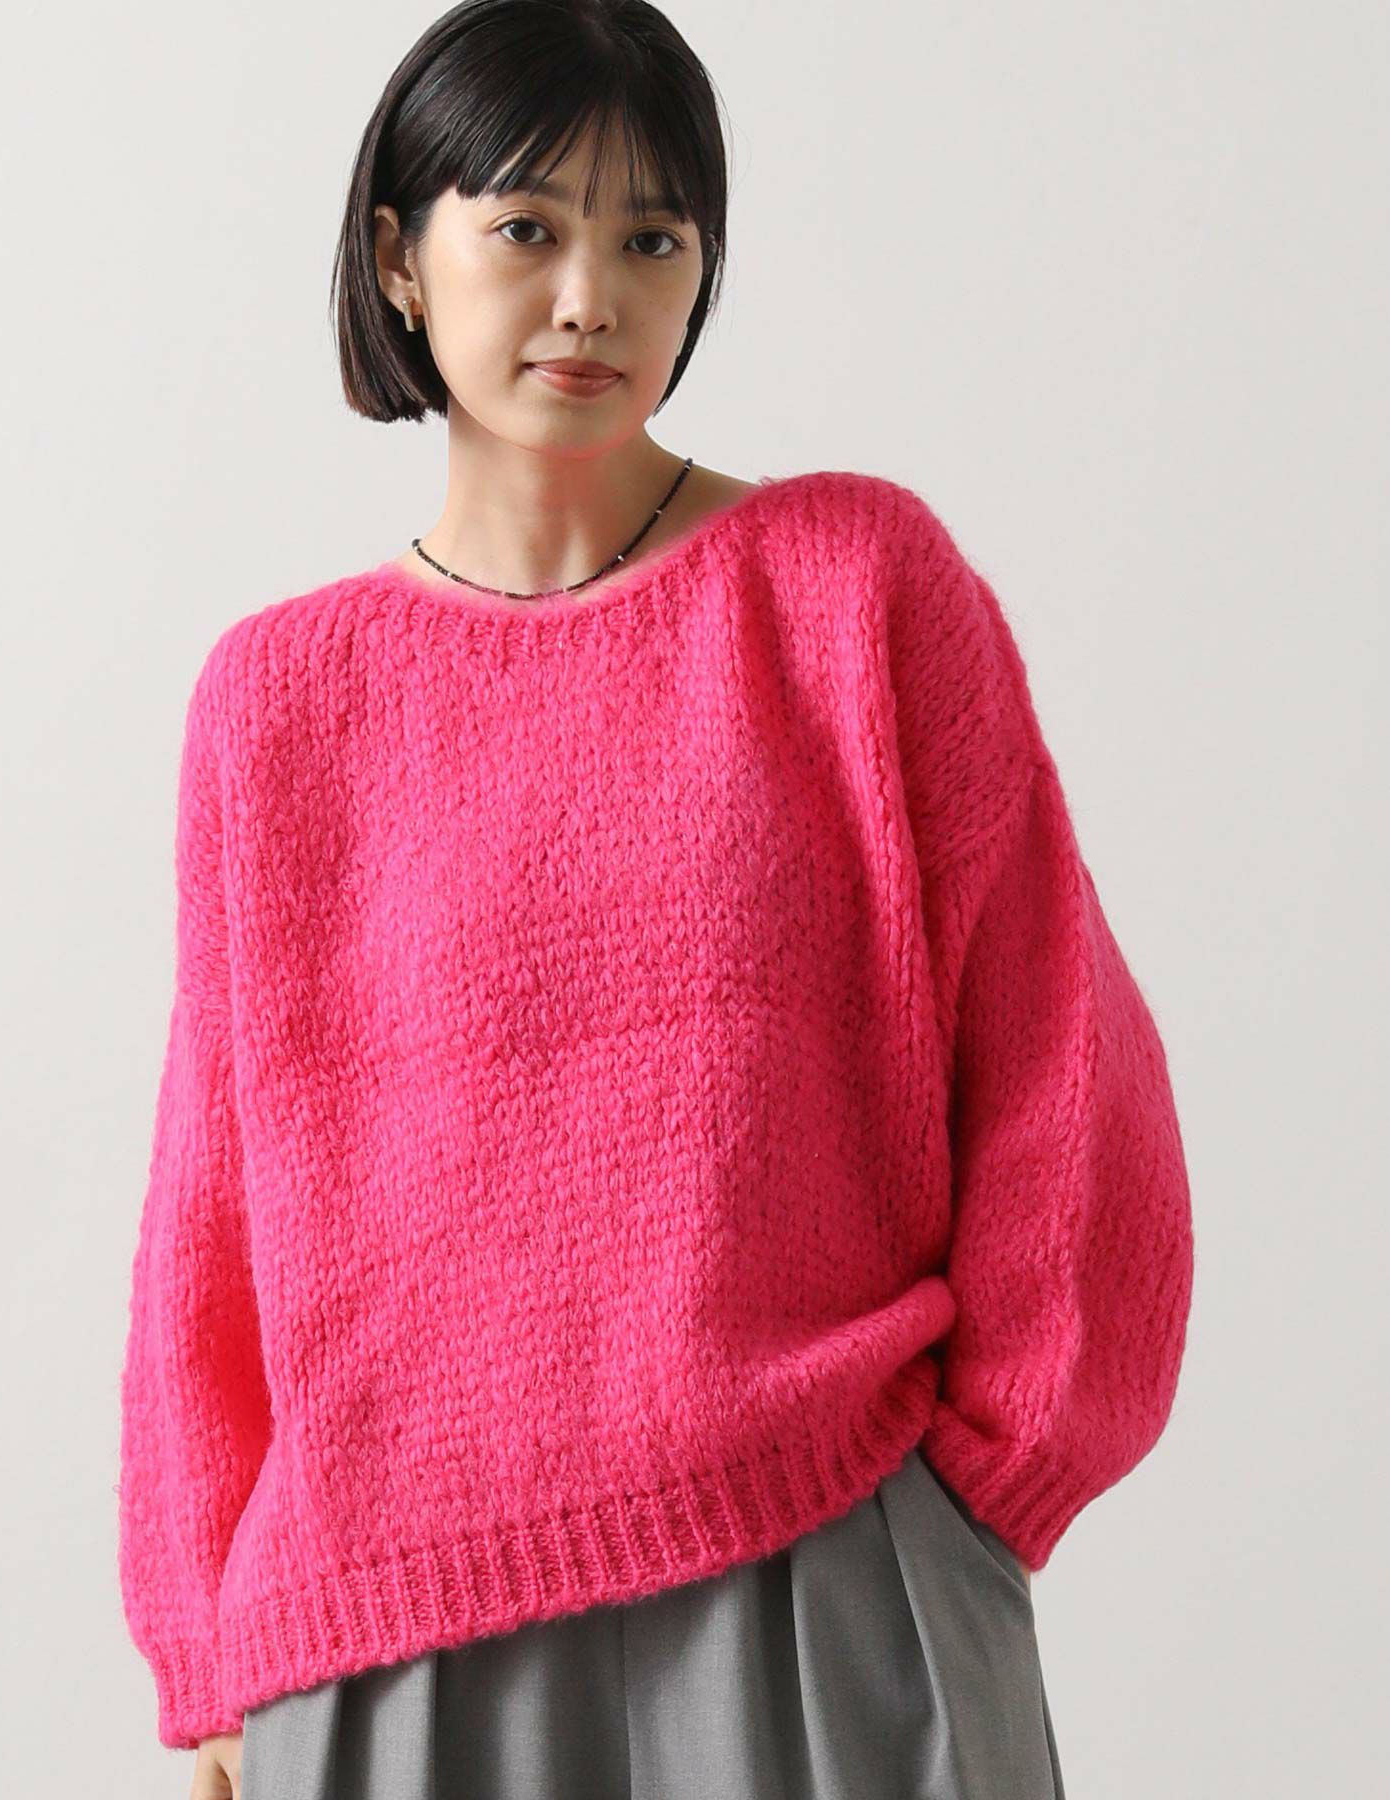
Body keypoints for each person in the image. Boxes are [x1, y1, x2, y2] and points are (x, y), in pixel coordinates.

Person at [115, 2, 1194, 1796]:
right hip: (388, 1634)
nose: (590, 299)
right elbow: (210, 1208)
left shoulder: (853, 591)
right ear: (399, 256)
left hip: (822, 1565)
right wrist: (206, 1644)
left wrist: (979, 1495)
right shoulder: (277, 702)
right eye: (527, 227)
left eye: (652, 240)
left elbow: (1054, 1056)